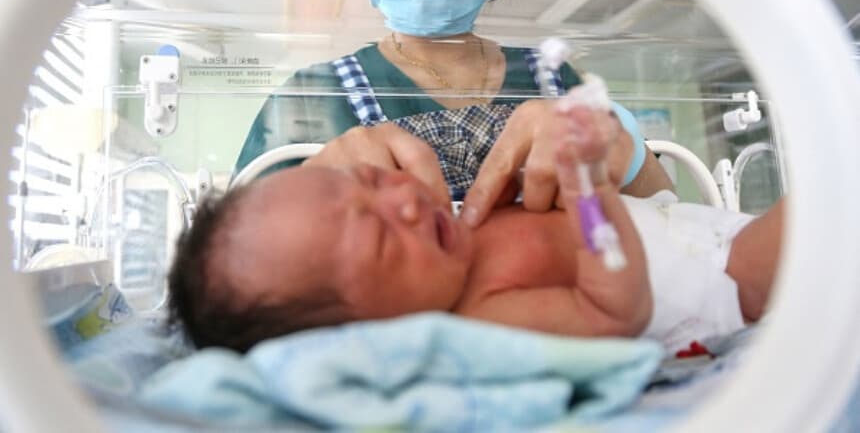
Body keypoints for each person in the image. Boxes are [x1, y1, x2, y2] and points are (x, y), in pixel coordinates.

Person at [172, 103, 782, 354]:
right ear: (367, 337)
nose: (405, 202)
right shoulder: (481, 314)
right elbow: (614, 311)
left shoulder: (458, 238)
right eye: (382, 241)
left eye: (374, 181)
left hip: (685, 228)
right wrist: (591, 196)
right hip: (719, 281)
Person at [234, 0, 674, 226]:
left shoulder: (556, 79)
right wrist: (313, 192)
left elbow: (674, 224)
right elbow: (239, 258)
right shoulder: (312, 95)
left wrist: (624, 144)